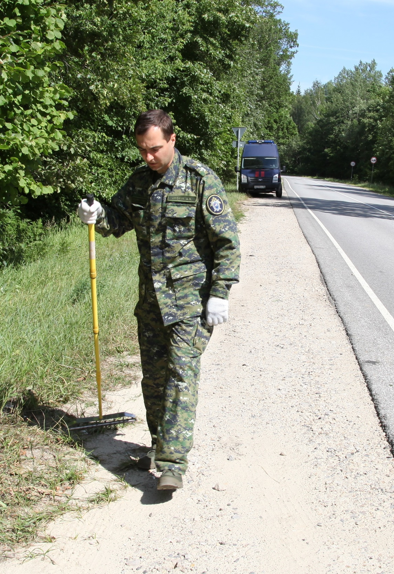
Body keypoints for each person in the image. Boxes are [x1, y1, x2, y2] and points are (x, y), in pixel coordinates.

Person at [76, 109, 240, 491]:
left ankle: (172, 465)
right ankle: (158, 442)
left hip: (190, 302)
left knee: (181, 377)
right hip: (150, 302)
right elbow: (118, 220)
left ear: (172, 139)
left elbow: (227, 243)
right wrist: (97, 213)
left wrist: (220, 292)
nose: (148, 157)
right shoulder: (139, 183)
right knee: (154, 379)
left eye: (153, 149)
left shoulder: (200, 180)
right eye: (142, 151)